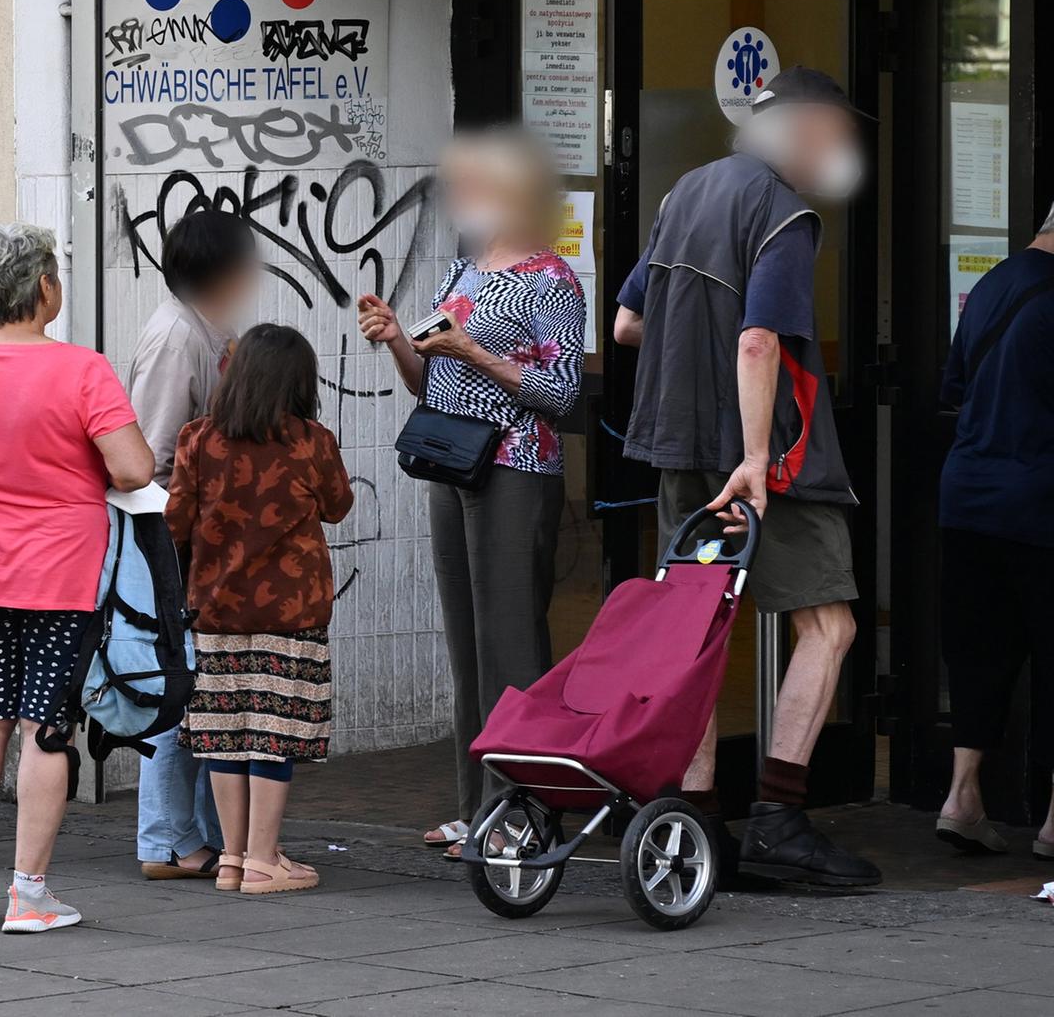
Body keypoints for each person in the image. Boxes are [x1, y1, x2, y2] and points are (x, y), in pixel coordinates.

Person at [612, 66, 879, 887]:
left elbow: (627, 324)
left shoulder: (684, 195)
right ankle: (778, 820)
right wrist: (757, 459)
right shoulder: (783, 211)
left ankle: (697, 825)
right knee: (828, 627)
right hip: (765, 460)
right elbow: (760, 341)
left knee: (698, 626)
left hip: (676, 446)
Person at [355, 127, 582, 856]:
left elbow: (562, 393)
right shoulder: (465, 270)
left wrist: (473, 349)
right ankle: (474, 807)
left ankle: (520, 816)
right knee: (466, 645)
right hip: (451, 463)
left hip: (515, 467)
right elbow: (431, 377)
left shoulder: (552, 280)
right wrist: (397, 337)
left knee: (511, 644)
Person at [0, 222, 153, 933]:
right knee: (47, 725)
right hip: (59, 573)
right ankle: (28, 893)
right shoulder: (82, 371)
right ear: (46, 288)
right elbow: (135, 468)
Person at [168, 324, 353, 895]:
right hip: (290, 614)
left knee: (227, 733)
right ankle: (266, 859)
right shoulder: (311, 441)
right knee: (274, 733)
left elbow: (174, 522)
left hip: (217, 611)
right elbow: (340, 506)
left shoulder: (199, 439)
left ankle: (231, 859)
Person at [126, 209, 261, 881]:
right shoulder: (178, 337)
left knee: (196, 689)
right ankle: (166, 840)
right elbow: (149, 458)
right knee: (178, 689)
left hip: (193, 538)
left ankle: (191, 836)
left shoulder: (207, 328)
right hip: (172, 539)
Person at [933, 201, 1054, 859]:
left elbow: (954, 385)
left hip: (969, 497)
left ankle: (962, 797)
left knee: (979, 655)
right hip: (1040, 500)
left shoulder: (991, 285)